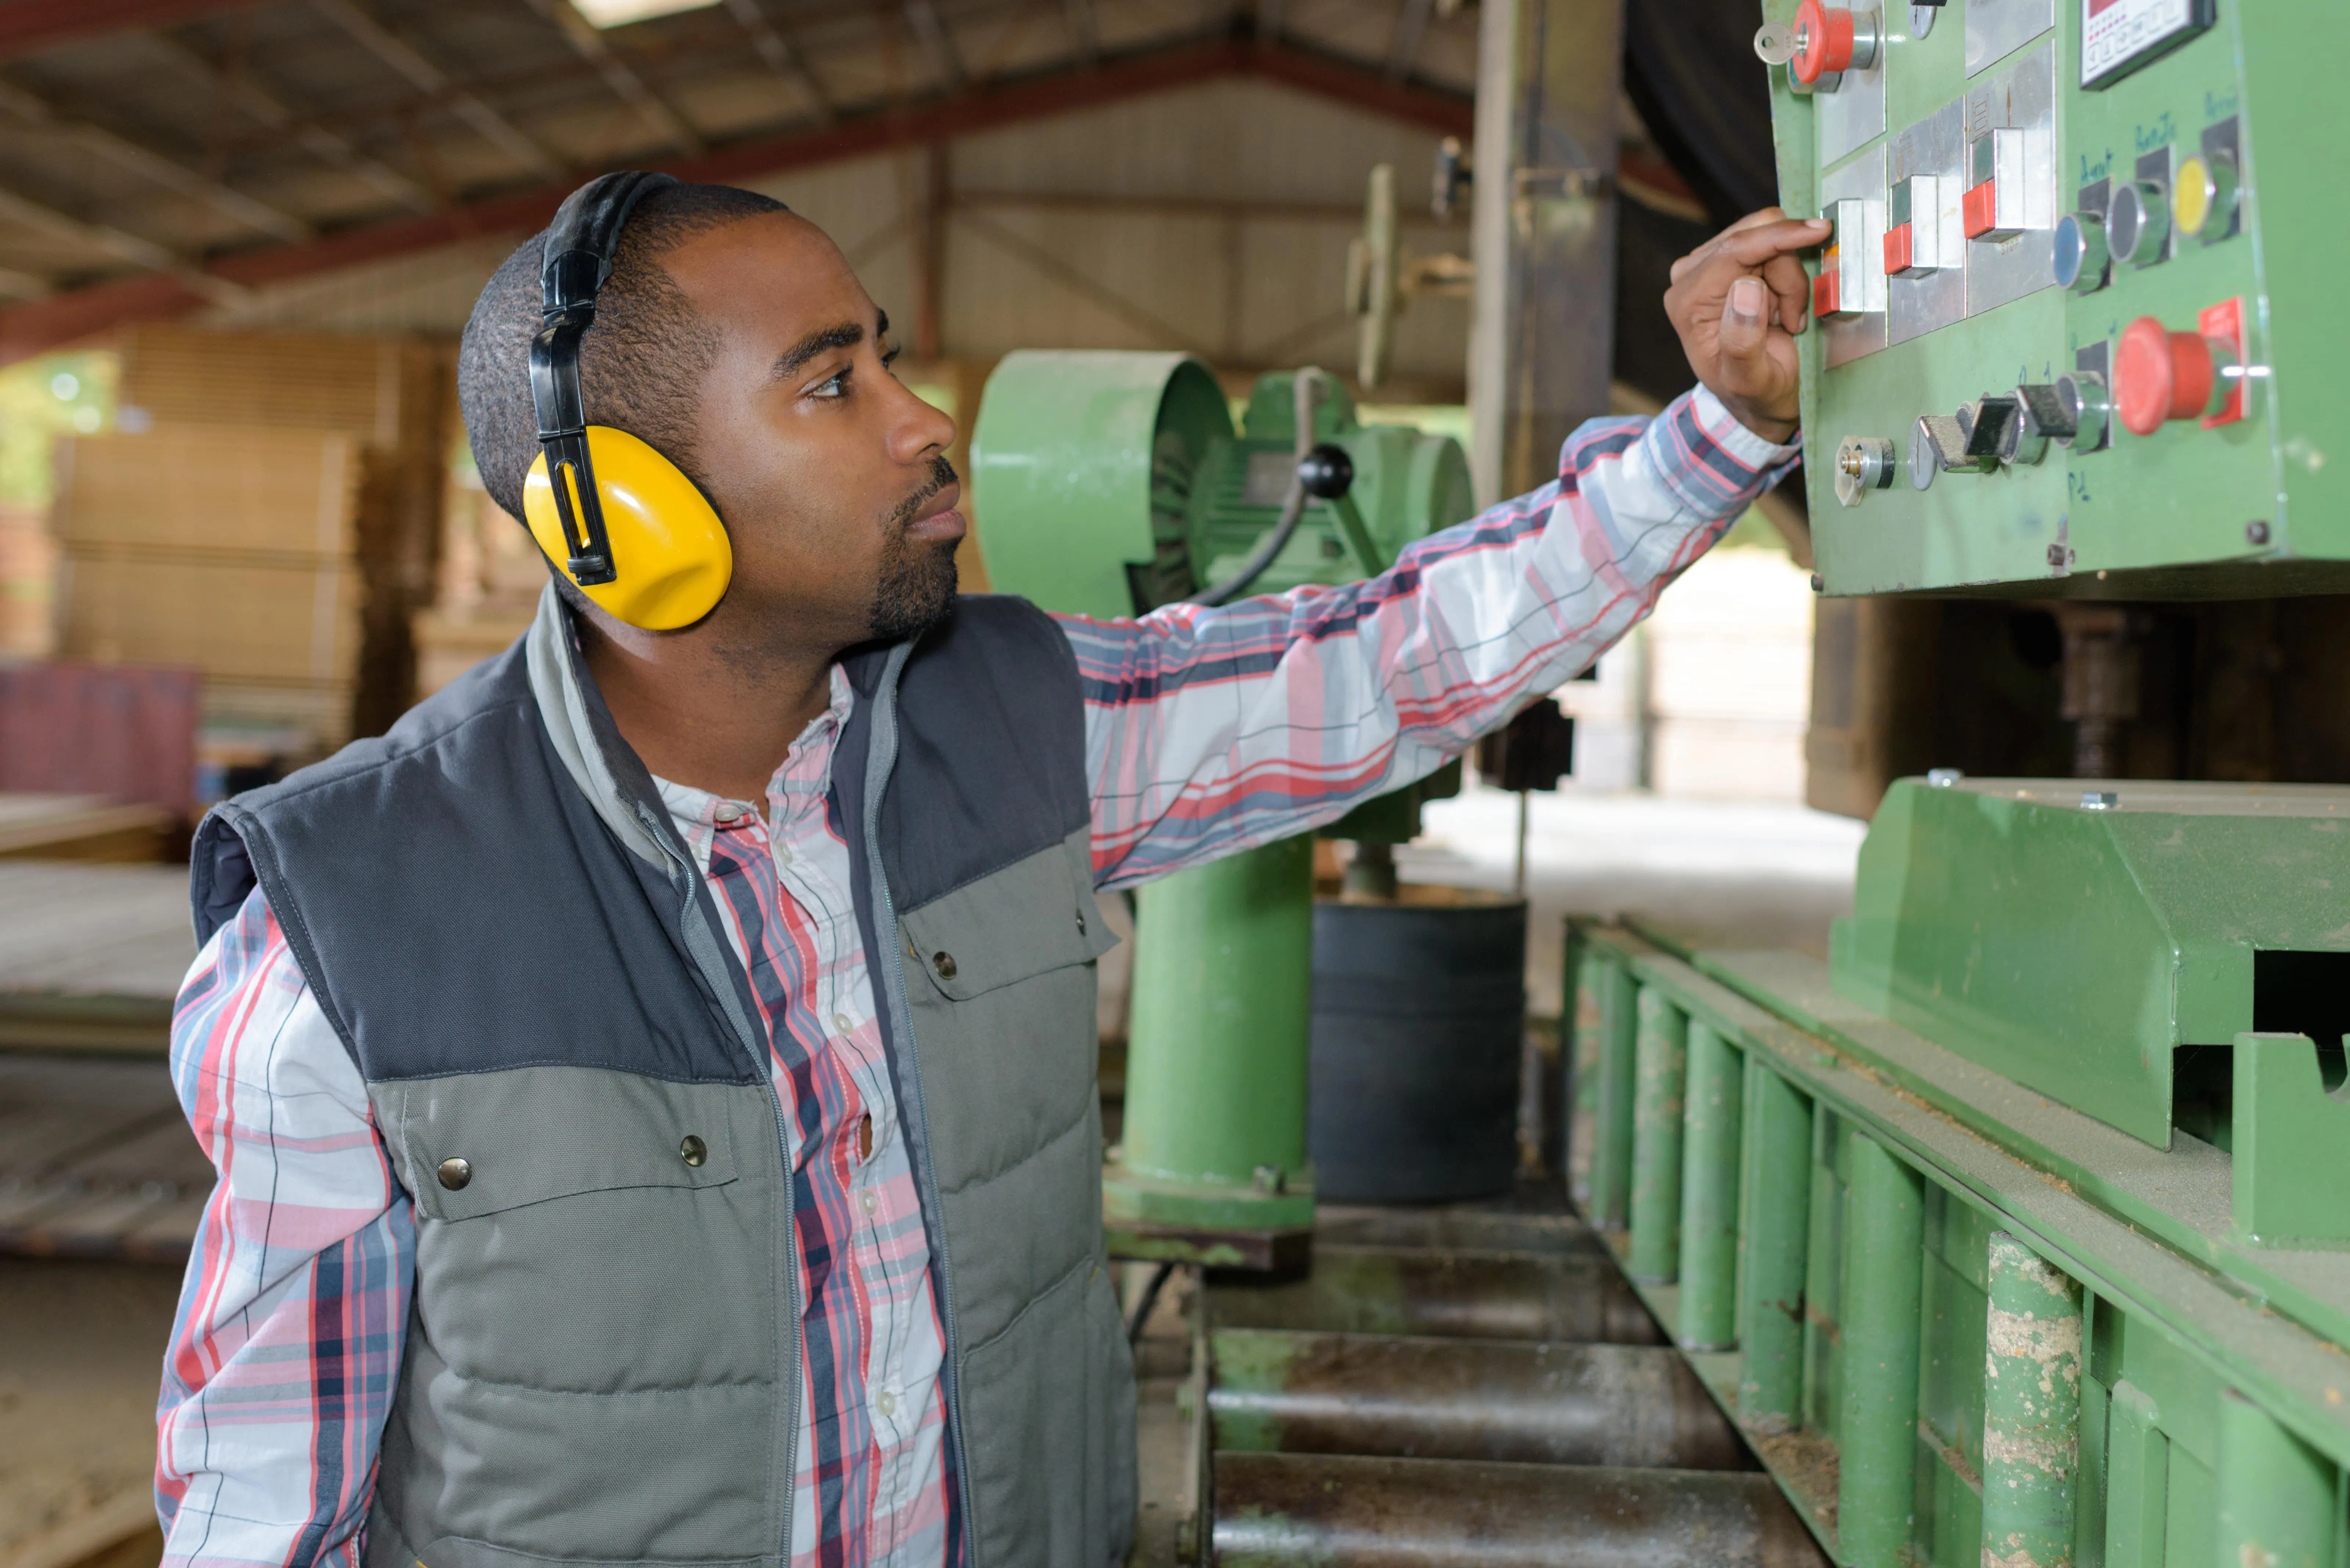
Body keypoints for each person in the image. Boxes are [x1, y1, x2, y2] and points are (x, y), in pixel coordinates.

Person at [153, 172, 1825, 1568]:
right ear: (619, 516)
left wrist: (1719, 436)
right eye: (834, 385)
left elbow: (1391, 665)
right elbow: (262, 1513)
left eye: (888, 359)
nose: (925, 423)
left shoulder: (1020, 728)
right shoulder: (346, 935)